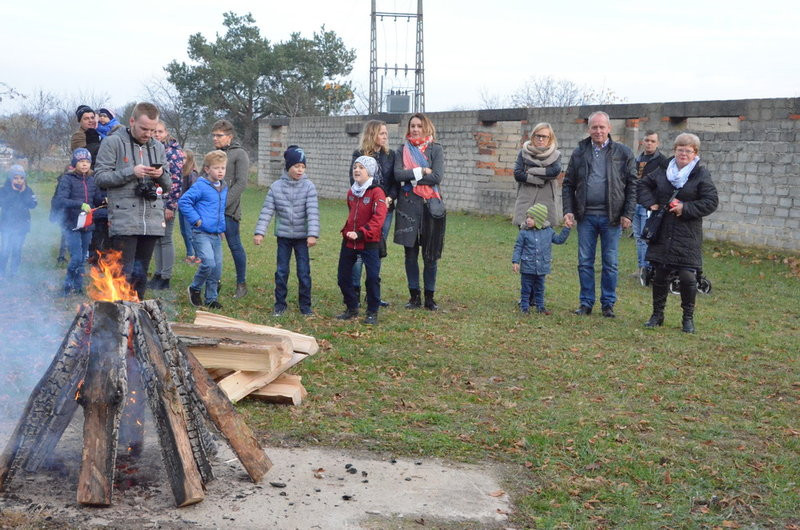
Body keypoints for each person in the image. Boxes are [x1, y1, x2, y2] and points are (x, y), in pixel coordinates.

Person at [638, 133, 718, 333]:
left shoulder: (701, 174)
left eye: (688, 150)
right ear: (674, 151)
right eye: (680, 149)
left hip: (687, 233)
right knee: (660, 274)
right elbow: (642, 185)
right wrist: (651, 203)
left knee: (687, 277)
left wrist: (685, 208)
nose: (683, 153)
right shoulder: (663, 169)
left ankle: (687, 319)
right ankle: (657, 315)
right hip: (663, 230)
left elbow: (711, 202)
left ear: (695, 153)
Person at [562, 111, 637, 318]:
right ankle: (586, 303)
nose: (598, 131)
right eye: (594, 127)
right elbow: (568, 184)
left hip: (611, 217)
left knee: (610, 263)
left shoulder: (623, 153)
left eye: (602, 127)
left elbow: (632, 186)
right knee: (585, 261)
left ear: (609, 128)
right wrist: (568, 210)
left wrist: (628, 213)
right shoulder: (579, 152)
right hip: (585, 216)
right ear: (588, 129)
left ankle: (608, 304)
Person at [94, 101, 169, 300]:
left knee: (140, 276)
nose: (148, 134)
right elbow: (100, 177)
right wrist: (131, 172)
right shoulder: (113, 142)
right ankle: (117, 322)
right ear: (132, 121)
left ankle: (134, 324)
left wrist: (160, 174)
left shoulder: (159, 147)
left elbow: (169, 186)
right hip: (124, 220)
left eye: (152, 130)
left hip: (151, 221)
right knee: (122, 277)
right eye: (144, 129)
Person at [253, 145, 319, 317]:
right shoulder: (276, 187)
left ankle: (305, 305)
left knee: (303, 272)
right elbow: (267, 211)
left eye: (303, 167)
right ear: (288, 166)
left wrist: (312, 234)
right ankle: (280, 304)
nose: (300, 170)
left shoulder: (309, 187)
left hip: (302, 238)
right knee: (282, 271)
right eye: (297, 166)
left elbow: (312, 212)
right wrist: (260, 232)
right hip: (283, 237)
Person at [393, 113, 446, 311]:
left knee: (430, 254)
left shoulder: (436, 149)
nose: (415, 129)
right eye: (412, 126)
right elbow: (398, 174)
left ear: (426, 128)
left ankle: (429, 297)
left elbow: (438, 177)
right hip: (408, 207)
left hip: (430, 206)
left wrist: (411, 178)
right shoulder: (401, 150)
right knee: (410, 253)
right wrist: (422, 172)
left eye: (419, 126)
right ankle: (414, 296)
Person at [349, 120, 396, 307]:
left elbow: (394, 182)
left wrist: (390, 198)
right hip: (364, 209)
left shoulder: (390, 155)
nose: (385, 137)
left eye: (386, 133)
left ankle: (372, 293)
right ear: (372, 134)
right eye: (382, 133)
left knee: (376, 251)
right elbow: (353, 181)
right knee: (359, 251)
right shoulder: (358, 155)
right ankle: (354, 293)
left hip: (385, 210)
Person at [337, 156, 388, 324]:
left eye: (361, 168)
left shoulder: (377, 192)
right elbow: (352, 214)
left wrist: (361, 233)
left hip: (369, 242)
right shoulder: (351, 192)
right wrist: (347, 231)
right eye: (355, 167)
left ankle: (372, 312)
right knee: (343, 277)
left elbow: (379, 219)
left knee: (372, 277)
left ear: (370, 172)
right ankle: (352, 307)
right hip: (350, 241)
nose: (356, 170)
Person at [179, 150, 228, 309]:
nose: (220, 171)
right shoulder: (201, 185)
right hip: (201, 233)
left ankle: (211, 299)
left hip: (216, 234)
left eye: (223, 168)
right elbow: (184, 202)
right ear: (207, 169)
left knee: (217, 268)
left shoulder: (223, 187)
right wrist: (197, 220)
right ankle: (195, 288)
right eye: (216, 168)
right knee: (208, 263)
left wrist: (221, 228)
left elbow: (219, 210)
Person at [53, 148, 103, 295]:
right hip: (71, 224)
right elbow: (60, 200)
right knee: (76, 257)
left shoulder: (93, 180)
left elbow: (97, 198)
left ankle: (78, 287)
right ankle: (67, 285)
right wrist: (79, 204)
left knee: (82, 258)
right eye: (81, 161)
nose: (84, 164)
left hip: (87, 225)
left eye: (87, 161)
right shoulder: (67, 179)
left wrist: (104, 200)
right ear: (75, 163)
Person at [211, 119, 249, 298]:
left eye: (219, 135)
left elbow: (241, 182)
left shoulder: (239, 154)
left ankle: (241, 283)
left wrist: (223, 202)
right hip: (211, 209)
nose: (215, 139)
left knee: (235, 246)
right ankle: (213, 283)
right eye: (214, 135)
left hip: (229, 211)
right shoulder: (214, 154)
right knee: (211, 248)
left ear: (230, 136)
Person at [512, 203, 570, 314]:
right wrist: (515, 261)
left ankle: (540, 306)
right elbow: (518, 247)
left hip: (542, 266)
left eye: (532, 218)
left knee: (540, 288)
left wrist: (566, 229)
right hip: (527, 266)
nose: (528, 220)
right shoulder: (524, 232)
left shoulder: (548, 232)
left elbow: (559, 240)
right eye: (527, 217)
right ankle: (524, 307)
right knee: (526, 288)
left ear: (539, 220)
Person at [149, 121, 185, 290]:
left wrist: (171, 205)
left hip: (167, 200)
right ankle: (158, 273)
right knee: (156, 239)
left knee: (166, 238)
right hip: (154, 200)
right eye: (154, 131)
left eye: (160, 131)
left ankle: (166, 276)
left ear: (166, 132)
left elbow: (177, 181)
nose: (157, 134)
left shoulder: (174, 153)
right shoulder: (153, 149)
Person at [512, 123, 562, 227]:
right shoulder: (523, 153)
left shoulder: (555, 155)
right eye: (538, 135)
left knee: (544, 238)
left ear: (550, 138)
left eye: (544, 136)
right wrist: (538, 180)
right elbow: (518, 174)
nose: (540, 139)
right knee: (525, 238)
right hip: (526, 200)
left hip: (546, 201)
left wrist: (532, 170)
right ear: (533, 136)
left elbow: (554, 172)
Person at [633, 131, 667, 283]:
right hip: (635, 203)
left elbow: (664, 184)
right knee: (638, 238)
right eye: (647, 140)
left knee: (646, 238)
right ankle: (641, 268)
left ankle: (648, 269)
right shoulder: (638, 159)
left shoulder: (662, 161)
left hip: (650, 205)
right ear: (642, 142)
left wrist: (656, 203)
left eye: (653, 141)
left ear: (658, 143)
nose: (649, 143)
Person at [0, 165, 37, 278]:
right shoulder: (3, 190)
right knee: (5, 249)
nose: (19, 180)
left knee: (17, 249)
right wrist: (14, 193)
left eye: (21, 178)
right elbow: (4, 203)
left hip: (22, 225)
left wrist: (23, 192)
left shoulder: (28, 190)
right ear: (11, 178)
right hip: (7, 225)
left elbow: (32, 204)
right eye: (16, 178)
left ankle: (14, 272)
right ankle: (2, 272)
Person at [178, 149, 201, 264]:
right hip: (181, 206)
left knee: (190, 232)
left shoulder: (192, 173)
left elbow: (193, 192)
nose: (182, 160)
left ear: (190, 160)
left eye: (184, 158)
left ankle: (195, 255)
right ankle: (190, 253)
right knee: (184, 231)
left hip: (189, 207)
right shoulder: (181, 172)